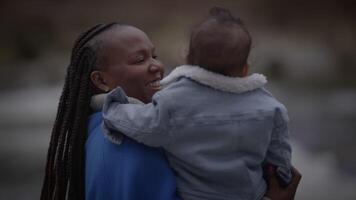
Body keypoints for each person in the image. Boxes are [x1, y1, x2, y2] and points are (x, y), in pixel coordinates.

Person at [41, 21, 301, 200]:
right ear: (101, 80)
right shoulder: (134, 139)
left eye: (154, 55)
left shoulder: (94, 126)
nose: (157, 66)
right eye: (140, 60)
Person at [102, 7, 293, 200]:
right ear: (245, 68)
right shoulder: (270, 106)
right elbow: (280, 155)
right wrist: (283, 179)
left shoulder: (173, 101)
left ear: (187, 60)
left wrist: (114, 108)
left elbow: (144, 124)